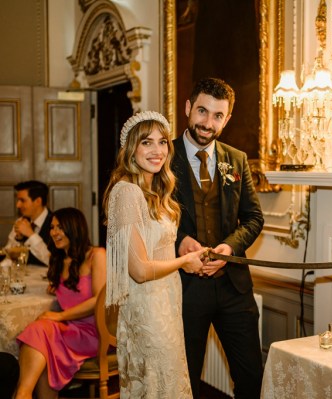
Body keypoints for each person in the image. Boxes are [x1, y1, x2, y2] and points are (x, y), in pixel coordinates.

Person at [172, 77, 264, 399]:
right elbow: (147, 220)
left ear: (227, 119)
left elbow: (254, 218)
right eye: (202, 111)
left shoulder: (236, 160)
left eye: (217, 116)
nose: (207, 123)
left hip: (233, 288)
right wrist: (179, 241)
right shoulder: (161, 158)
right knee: (185, 381)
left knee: (251, 378)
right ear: (188, 108)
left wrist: (230, 247)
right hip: (182, 290)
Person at [103, 110, 204, 398]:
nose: (157, 150)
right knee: (156, 386)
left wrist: (184, 247)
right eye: (147, 142)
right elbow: (139, 270)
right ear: (131, 149)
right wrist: (184, 262)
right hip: (146, 309)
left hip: (167, 302)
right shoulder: (127, 192)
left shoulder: (155, 192)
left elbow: (156, 249)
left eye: (162, 142)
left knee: (168, 382)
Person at [14, 207, 106, 399]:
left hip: (95, 332)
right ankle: (23, 393)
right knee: (40, 342)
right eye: (53, 227)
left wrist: (59, 315)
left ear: (74, 228)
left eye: (59, 227)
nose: (53, 232)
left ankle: (22, 394)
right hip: (70, 330)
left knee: (39, 331)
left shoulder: (96, 255)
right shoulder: (59, 261)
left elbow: (99, 299)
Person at [4, 180, 52, 266]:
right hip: (24, 278)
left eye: (22, 200)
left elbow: (53, 261)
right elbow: (8, 254)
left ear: (38, 201)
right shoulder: (20, 221)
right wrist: (18, 239)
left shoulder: (57, 223)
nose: (17, 205)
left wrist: (31, 235)